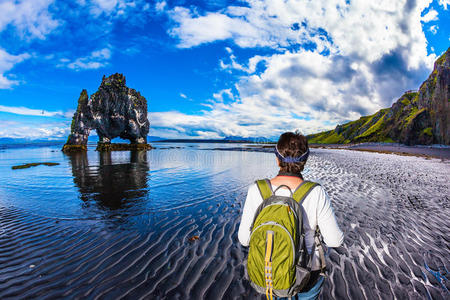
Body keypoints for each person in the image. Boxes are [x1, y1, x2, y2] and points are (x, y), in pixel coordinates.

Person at [238, 131, 344, 299]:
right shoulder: (316, 192)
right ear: (305, 161)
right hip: (308, 273)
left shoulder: (256, 190)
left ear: (277, 159)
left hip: (271, 271)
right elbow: (334, 240)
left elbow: (244, 239)